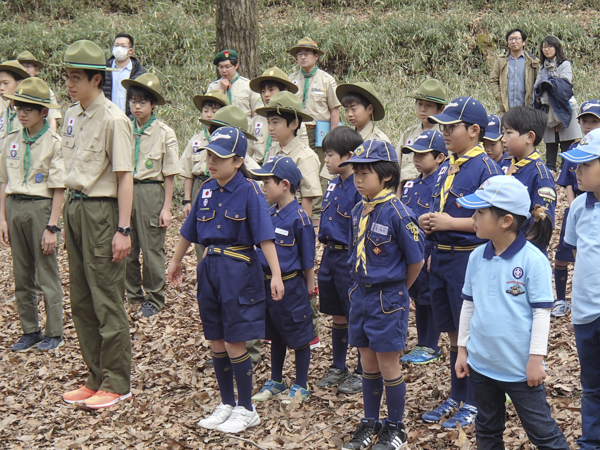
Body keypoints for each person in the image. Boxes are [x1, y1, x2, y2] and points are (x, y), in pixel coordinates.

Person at [167, 126, 284, 433]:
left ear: (237, 161)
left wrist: (276, 275)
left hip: (239, 270)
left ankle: (247, 408)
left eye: (220, 156)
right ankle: (227, 402)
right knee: (216, 338)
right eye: (209, 155)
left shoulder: (249, 191)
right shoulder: (206, 188)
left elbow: (265, 237)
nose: (212, 161)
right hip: (210, 269)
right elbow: (189, 231)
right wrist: (176, 261)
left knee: (235, 340)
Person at [455, 175, 569, 450]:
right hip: (481, 365)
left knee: (542, 433)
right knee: (487, 429)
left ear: (506, 221)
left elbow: (542, 313)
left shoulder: (533, 260)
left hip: (520, 369)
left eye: (480, 212)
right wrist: (462, 349)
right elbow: (468, 305)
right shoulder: (476, 257)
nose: (474, 218)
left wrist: (535, 360)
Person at [59, 40, 134, 410]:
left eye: (77, 77)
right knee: (81, 299)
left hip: (102, 214)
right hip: (74, 209)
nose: (70, 84)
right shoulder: (72, 114)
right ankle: (95, 377)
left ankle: (118, 381)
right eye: (68, 77)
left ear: (96, 80)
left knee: (106, 298)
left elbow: (124, 177)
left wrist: (124, 229)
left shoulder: (113, 119)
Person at [419, 97, 501, 428]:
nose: (445, 133)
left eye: (452, 127)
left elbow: (495, 223)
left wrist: (449, 223)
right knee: (453, 334)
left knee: (472, 332)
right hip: (441, 259)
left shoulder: (486, 168)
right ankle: (458, 393)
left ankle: (477, 401)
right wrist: (431, 228)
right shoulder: (450, 166)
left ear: (474, 131)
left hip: (469, 260)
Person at [341, 139, 424, 450]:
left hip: (387, 297)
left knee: (389, 363)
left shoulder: (398, 214)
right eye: (356, 173)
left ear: (386, 175)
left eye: (365, 173)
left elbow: (416, 259)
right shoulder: (358, 210)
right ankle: (370, 421)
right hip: (361, 294)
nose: (358, 179)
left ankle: (395, 426)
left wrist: (401, 289)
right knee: (367, 361)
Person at [0, 77, 65, 352]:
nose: (22, 113)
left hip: (41, 207)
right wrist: (2, 218)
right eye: (19, 107)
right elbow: (3, 181)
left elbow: (59, 188)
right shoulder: (10, 140)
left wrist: (52, 225)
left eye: (29, 108)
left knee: (46, 271)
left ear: (43, 112)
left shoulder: (54, 142)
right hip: (15, 206)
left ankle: (54, 332)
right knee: (22, 272)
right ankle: (31, 330)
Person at [250, 156, 315, 404]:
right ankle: (276, 380)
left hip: (292, 286)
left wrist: (310, 291)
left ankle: (300, 385)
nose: (264, 187)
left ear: (285, 185)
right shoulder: (268, 213)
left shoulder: (300, 218)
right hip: (267, 285)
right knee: (274, 333)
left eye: (267, 182)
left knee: (299, 335)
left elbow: (308, 260)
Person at [260, 91, 322, 347]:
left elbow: (307, 200)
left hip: (294, 232)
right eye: (269, 122)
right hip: (275, 223)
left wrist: (294, 230)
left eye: (276, 122)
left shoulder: (305, 155)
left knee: (300, 310)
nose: (271, 127)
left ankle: (308, 334)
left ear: (294, 124)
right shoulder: (273, 151)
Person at [122, 73, 179, 317]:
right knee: (127, 245)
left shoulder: (165, 133)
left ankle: (155, 297)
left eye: (142, 102)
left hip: (150, 191)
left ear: (153, 104)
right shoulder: (123, 127)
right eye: (133, 101)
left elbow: (169, 175)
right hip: (125, 190)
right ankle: (134, 294)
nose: (136, 106)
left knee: (152, 248)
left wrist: (166, 207)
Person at [315, 126, 363, 395]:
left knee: (355, 310)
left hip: (349, 256)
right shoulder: (333, 184)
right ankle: (338, 365)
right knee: (337, 313)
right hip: (330, 255)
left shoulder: (358, 186)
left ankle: (361, 369)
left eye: (330, 154)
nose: (326, 159)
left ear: (349, 156)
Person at [561, 128, 600, 450]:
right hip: (587, 312)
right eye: (575, 165)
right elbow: (575, 253)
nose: (577, 172)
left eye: (585, 165)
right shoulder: (578, 208)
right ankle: (591, 440)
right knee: (592, 384)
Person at [400, 130, 447, 364]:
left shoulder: (441, 183)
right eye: (413, 154)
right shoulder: (410, 185)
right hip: (413, 249)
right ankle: (422, 342)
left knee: (430, 297)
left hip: (430, 248)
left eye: (422, 154)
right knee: (418, 296)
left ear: (439, 157)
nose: (416, 159)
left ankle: (431, 344)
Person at [553, 100, 600, 318]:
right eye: (585, 121)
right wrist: (573, 207)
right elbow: (567, 183)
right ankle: (561, 299)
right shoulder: (575, 149)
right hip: (580, 207)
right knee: (564, 254)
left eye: (595, 121)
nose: (589, 125)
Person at [288, 37, 341, 221]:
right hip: (297, 130)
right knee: (299, 167)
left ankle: (317, 213)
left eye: (306, 54)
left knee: (320, 170)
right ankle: (298, 208)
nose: (302, 57)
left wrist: (334, 136)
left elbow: (334, 110)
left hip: (320, 130)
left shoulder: (326, 80)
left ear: (316, 56)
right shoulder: (291, 80)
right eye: (299, 54)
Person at [179, 89, 229, 259]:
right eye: (206, 110)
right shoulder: (195, 140)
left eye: (214, 110)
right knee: (200, 227)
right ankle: (203, 270)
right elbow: (188, 172)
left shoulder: (228, 139)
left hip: (221, 185)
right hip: (200, 186)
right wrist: (187, 200)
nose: (209, 114)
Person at [502, 106, 555, 252]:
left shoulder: (540, 175)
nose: (503, 139)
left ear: (530, 137)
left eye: (509, 133)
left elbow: (542, 223)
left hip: (524, 251)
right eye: (502, 132)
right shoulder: (505, 164)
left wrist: (523, 250)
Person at [532, 36, 581, 171]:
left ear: (556, 47)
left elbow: (564, 86)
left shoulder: (564, 64)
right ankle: (551, 171)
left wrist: (547, 84)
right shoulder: (542, 67)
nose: (546, 50)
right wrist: (548, 83)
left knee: (566, 143)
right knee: (551, 144)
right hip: (547, 109)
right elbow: (537, 87)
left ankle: (566, 173)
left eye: (550, 46)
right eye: (544, 47)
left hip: (564, 108)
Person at [247, 67, 299, 166]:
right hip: (255, 169)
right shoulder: (256, 120)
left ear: (285, 90)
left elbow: (301, 151)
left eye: (271, 90)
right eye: (263, 91)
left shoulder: (293, 120)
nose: (266, 94)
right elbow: (247, 152)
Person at [397, 79, 446, 183]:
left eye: (429, 105)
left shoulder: (446, 136)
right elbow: (395, 167)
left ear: (441, 109)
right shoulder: (408, 134)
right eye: (419, 104)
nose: (423, 109)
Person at [489, 28, 539, 114]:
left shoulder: (532, 61)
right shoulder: (501, 60)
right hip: (506, 109)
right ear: (508, 43)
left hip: (527, 109)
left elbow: (538, 82)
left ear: (524, 42)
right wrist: (499, 97)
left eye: (517, 38)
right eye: (511, 39)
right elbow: (493, 80)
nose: (513, 41)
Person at [206, 49, 261, 122]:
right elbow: (208, 111)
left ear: (236, 66)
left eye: (227, 67)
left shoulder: (248, 85)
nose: (224, 70)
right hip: (221, 129)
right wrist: (221, 91)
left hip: (244, 130)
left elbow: (256, 112)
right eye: (221, 67)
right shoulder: (213, 87)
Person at [102, 32, 146, 117]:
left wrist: (133, 120)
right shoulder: (104, 70)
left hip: (129, 121)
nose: (119, 49)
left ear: (130, 51)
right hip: (106, 119)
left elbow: (146, 100)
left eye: (123, 46)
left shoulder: (139, 73)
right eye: (116, 45)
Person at [16, 51, 62, 132]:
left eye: (28, 66)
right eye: (22, 67)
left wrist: (50, 142)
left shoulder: (45, 91)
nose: (25, 70)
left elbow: (52, 120)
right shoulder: (11, 91)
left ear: (36, 70)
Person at [0, 61, 30, 138]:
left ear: (20, 83)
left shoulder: (28, 115)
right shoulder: (4, 114)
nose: (1, 88)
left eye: (6, 83)